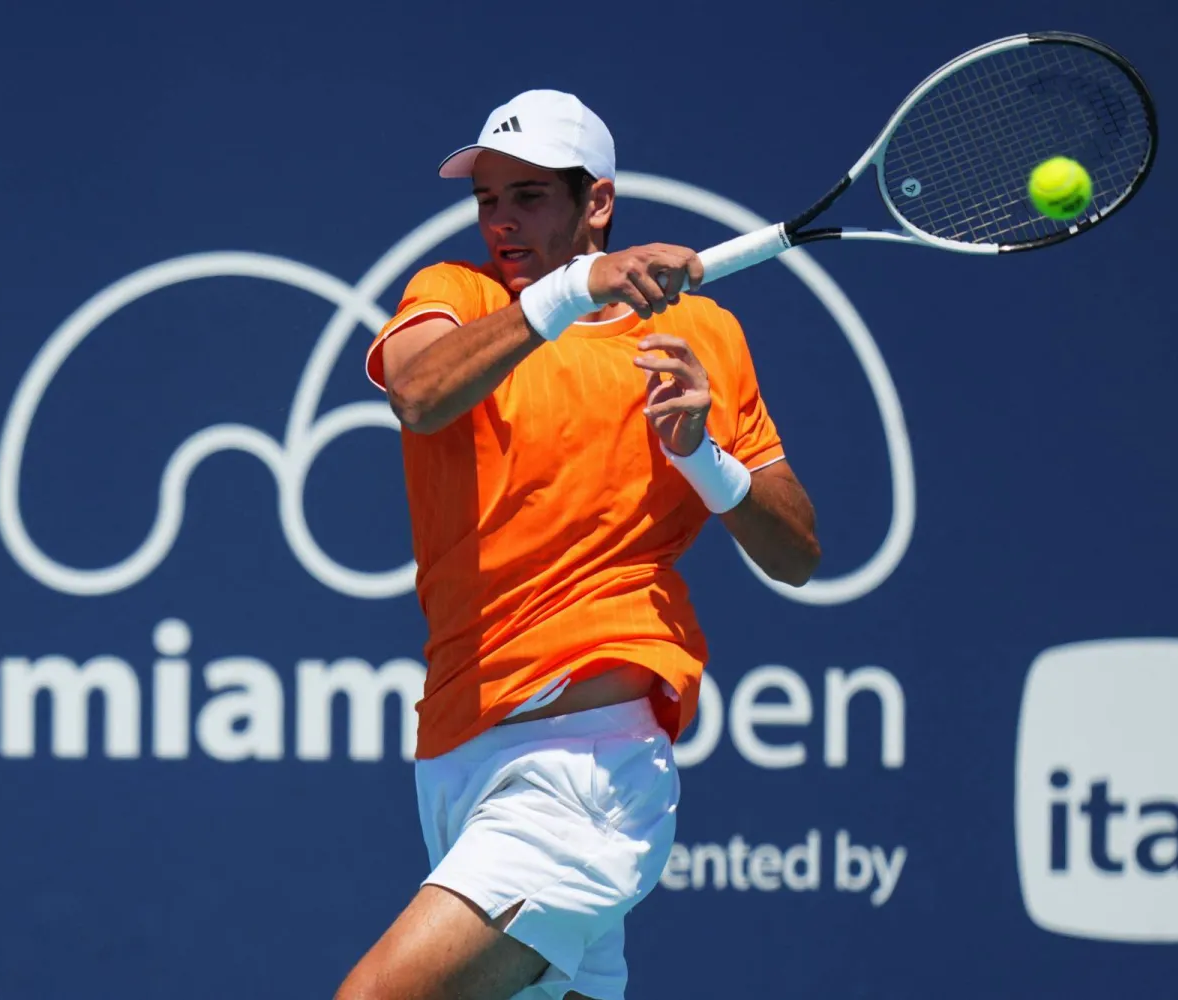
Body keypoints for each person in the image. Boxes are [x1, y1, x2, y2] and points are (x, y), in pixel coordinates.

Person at [337, 89, 820, 1000]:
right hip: (457, 754)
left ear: (595, 202)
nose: (501, 222)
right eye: (487, 200)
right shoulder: (457, 297)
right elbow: (418, 392)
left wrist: (704, 459)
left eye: (529, 197)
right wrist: (574, 289)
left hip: (587, 769)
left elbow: (796, 550)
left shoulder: (702, 337)